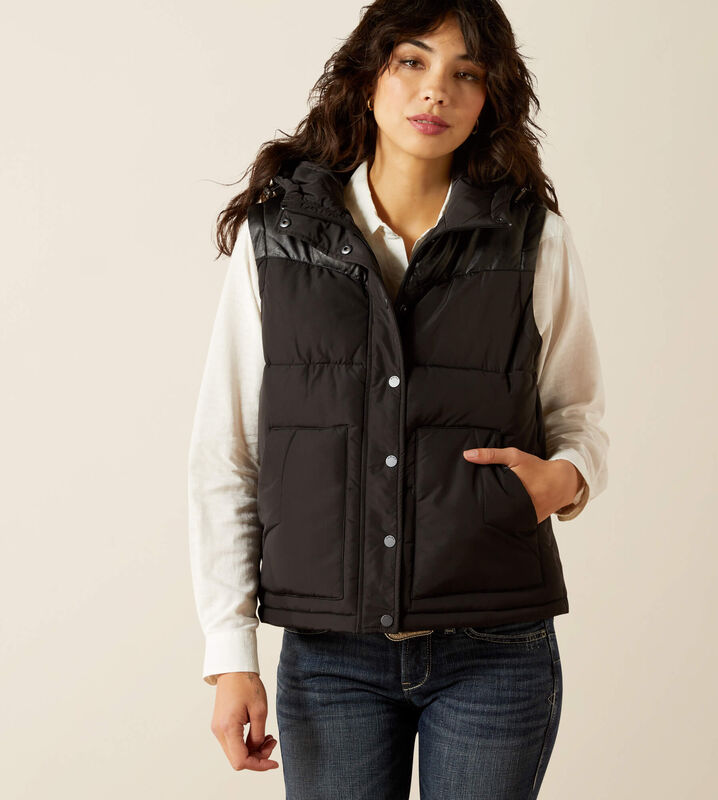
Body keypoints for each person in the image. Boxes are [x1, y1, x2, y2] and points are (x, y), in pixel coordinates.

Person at [188, 1, 609, 797]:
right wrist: (229, 653)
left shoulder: (533, 238)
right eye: (412, 62)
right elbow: (228, 451)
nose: (435, 90)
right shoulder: (277, 240)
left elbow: (579, 415)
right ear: (367, 77)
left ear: (488, 99)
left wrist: (565, 480)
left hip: (495, 646)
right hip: (331, 654)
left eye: (465, 73)